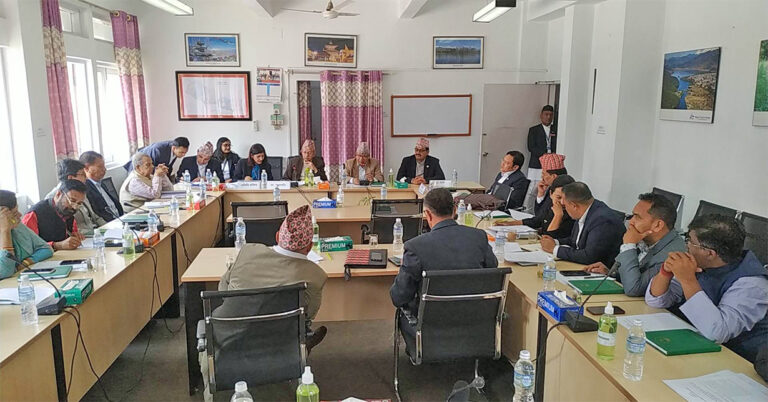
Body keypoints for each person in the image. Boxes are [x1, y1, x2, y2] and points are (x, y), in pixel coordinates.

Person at [204, 205, 328, 400]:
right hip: (280, 341)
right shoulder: (315, 276)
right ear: (309, 246)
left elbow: (223, 290)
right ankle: (304, 346)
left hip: (228, 339)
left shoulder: (248, 252)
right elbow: (308, 315)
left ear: (278, 236)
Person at [646, 215, 768, 363]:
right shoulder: (701, 263)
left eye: (690, 241)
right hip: (697, 345)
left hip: (738, 360)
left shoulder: (752, 284)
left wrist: (688, 280)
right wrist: (665, 273)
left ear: (710, 253)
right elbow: (656, 301)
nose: (686, 245)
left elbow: (717, 332)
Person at [390, 188, 498, 312]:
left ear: (428, 214)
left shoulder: (415, 247)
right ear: (455, 210)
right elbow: (493, 271)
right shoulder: (479, 237)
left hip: (430, 321)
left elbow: (399, 297)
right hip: (475, 317)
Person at [584, 193, 686, 297]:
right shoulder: (645, 239)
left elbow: (634, 289)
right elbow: (633, 276)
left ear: (658, 225)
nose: (631, 222)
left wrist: (629, 245)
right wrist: (610, 273)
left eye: (637, 217)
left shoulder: (671, 255)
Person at [540, 182, 625, 267]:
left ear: (574, 206)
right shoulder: (585, 210)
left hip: (598, 270)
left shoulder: (602, 220)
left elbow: (590, 257)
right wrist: (555, 242)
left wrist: (554, 249)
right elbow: (575, 241)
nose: (565, 209)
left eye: (565, 206)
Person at [45, 159, 106, 236]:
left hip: (95, 233)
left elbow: (95, 217)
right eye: (83, 175)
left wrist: (107, 229)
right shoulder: (55, 198)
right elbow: (65, 230)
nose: (86, 178)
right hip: (81, 237)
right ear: (70, 177)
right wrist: (94, 234)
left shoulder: (80, 190)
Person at [0, 190, 54, 279]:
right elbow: (6, 271)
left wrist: (25, 263)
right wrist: (5, 231)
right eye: (14, 213)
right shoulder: (6, 230)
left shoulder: (18, 227)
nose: (20, 215)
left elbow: (46, 249)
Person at [505, 153, 567, 227]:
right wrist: (540, 195)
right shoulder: (551, 187)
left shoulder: (560, 192)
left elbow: (540, 220)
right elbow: (539, 216)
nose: (542, 177)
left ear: (554, 176)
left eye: (544, 174)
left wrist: (514, 223)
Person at [22, 179, 86, 250]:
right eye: (72, 201)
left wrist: (75, 238)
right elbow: (26, 246)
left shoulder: (68, 212)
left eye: (79, 203)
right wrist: (57, 245)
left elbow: (71, 234)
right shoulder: (34, 214)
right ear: (58, 194)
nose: (74, 207)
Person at [525, 105, 556, 210]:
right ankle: (527, 210)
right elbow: (531, 147)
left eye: (551, 115)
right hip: (537, 163)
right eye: (546, 114)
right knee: (532, 189)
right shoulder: (534, 130)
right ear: (541, 115)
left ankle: (540, 210)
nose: (548, 117)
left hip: (551, 165)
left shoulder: (556, 129)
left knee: (546, 189)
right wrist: (544, 155)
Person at [81, 151, 123, 222]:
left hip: (119, 219)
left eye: (104, 166)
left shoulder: (102, 184)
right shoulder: (86, 189)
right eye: (100, 167)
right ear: (87, 168)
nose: (104, 169)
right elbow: (98, 214)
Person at [124, 137, 189, 179]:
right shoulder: (158, 150)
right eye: (181, 152)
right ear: (174, 148)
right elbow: (150, 167)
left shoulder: (176, 148)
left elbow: (168, 166)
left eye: (185, 152)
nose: (183, 155)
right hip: (138, 171)